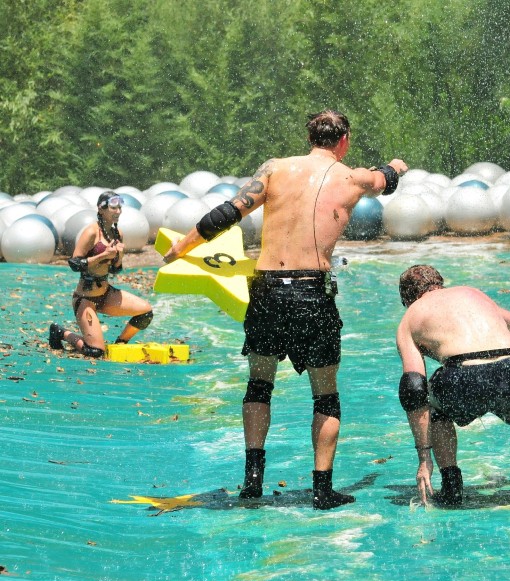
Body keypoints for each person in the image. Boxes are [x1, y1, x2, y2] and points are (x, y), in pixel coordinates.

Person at [164, 109, 408, 510]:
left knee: (259, 384)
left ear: (310, 137)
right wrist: (396, 166)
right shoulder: (353, 177)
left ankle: (253, 481)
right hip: (312, 292)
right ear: (344, 141)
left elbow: (227, 213)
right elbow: (387, 181)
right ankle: (321, 488)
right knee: (325, 395)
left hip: (268, 290)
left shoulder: (275, 169)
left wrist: (182, 246)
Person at [394, 265, 510, 506]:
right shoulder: (472, 293)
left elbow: (414, 387)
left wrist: (423, 456)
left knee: (437, 409)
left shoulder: (410, 317)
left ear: (407, 297)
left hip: (461, 381)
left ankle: (451, 486)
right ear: (440, 283)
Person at [49, 191, 154, 358]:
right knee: (95, 352)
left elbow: (115, 270)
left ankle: (120, 344)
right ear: (101, 209)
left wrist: (119, 257)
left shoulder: (117, 233)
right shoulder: (91, 231)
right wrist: (103, 255)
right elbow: (74, 264)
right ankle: (60, 332)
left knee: (145, 313)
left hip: (105, 294)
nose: (118, 211)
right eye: (113, 208)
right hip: (86, 298)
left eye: (119, 207)